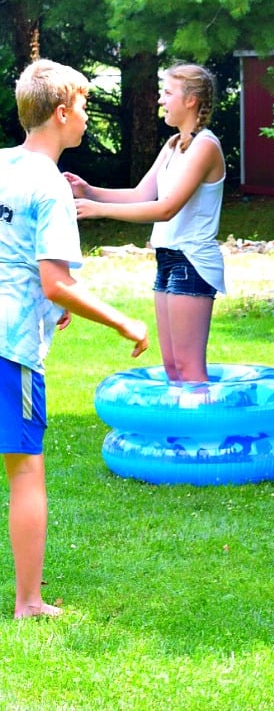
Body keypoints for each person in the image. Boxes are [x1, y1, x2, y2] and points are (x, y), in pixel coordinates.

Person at [0, 59, 148, 619]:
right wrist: (121, 321)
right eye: (84, 106)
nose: (86, 117)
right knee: (25, 468)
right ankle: (29, 603)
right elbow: (55, 282)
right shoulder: (52, 190)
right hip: (10, 349)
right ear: (62, 114)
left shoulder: (2, 166)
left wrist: (48, 299)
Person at [66, 63, 225, 384]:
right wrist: (89, 189)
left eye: (168, 93)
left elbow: (165, 209)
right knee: (172, 368)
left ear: (191, 100)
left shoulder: (206, 146)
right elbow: (142, 193)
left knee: (189, 368)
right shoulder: (172, 146)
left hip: (191, 263)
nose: (161, 100)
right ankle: (182, 435)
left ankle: (202, 435)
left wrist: (98, 209)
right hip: (167, 261)